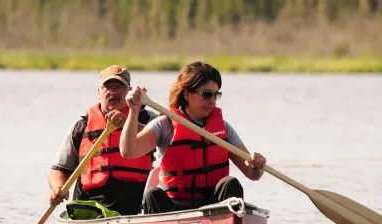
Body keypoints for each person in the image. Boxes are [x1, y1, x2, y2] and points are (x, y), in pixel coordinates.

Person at [115, 61, 267, 214]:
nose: (213, 100)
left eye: (216, 94)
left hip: (213, 209)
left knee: (230, 184)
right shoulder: (165, 125)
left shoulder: (224, 129)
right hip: (174, 210)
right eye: (206, 94)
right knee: (153, 195)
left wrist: (256, 166)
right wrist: (134, 111)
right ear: (187, 94)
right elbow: (128, 151)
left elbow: (252, 175)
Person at [49, 65, 157, 215]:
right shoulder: (81, 127)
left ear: (129, 92)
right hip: (90, 206)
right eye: (107, 87)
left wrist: (129, 122)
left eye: (118, 87)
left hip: (134, 206)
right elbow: (59, 171)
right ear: (98, 92)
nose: (113, 92)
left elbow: (167, 139)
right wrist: (57, 188)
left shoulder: (148, 119)